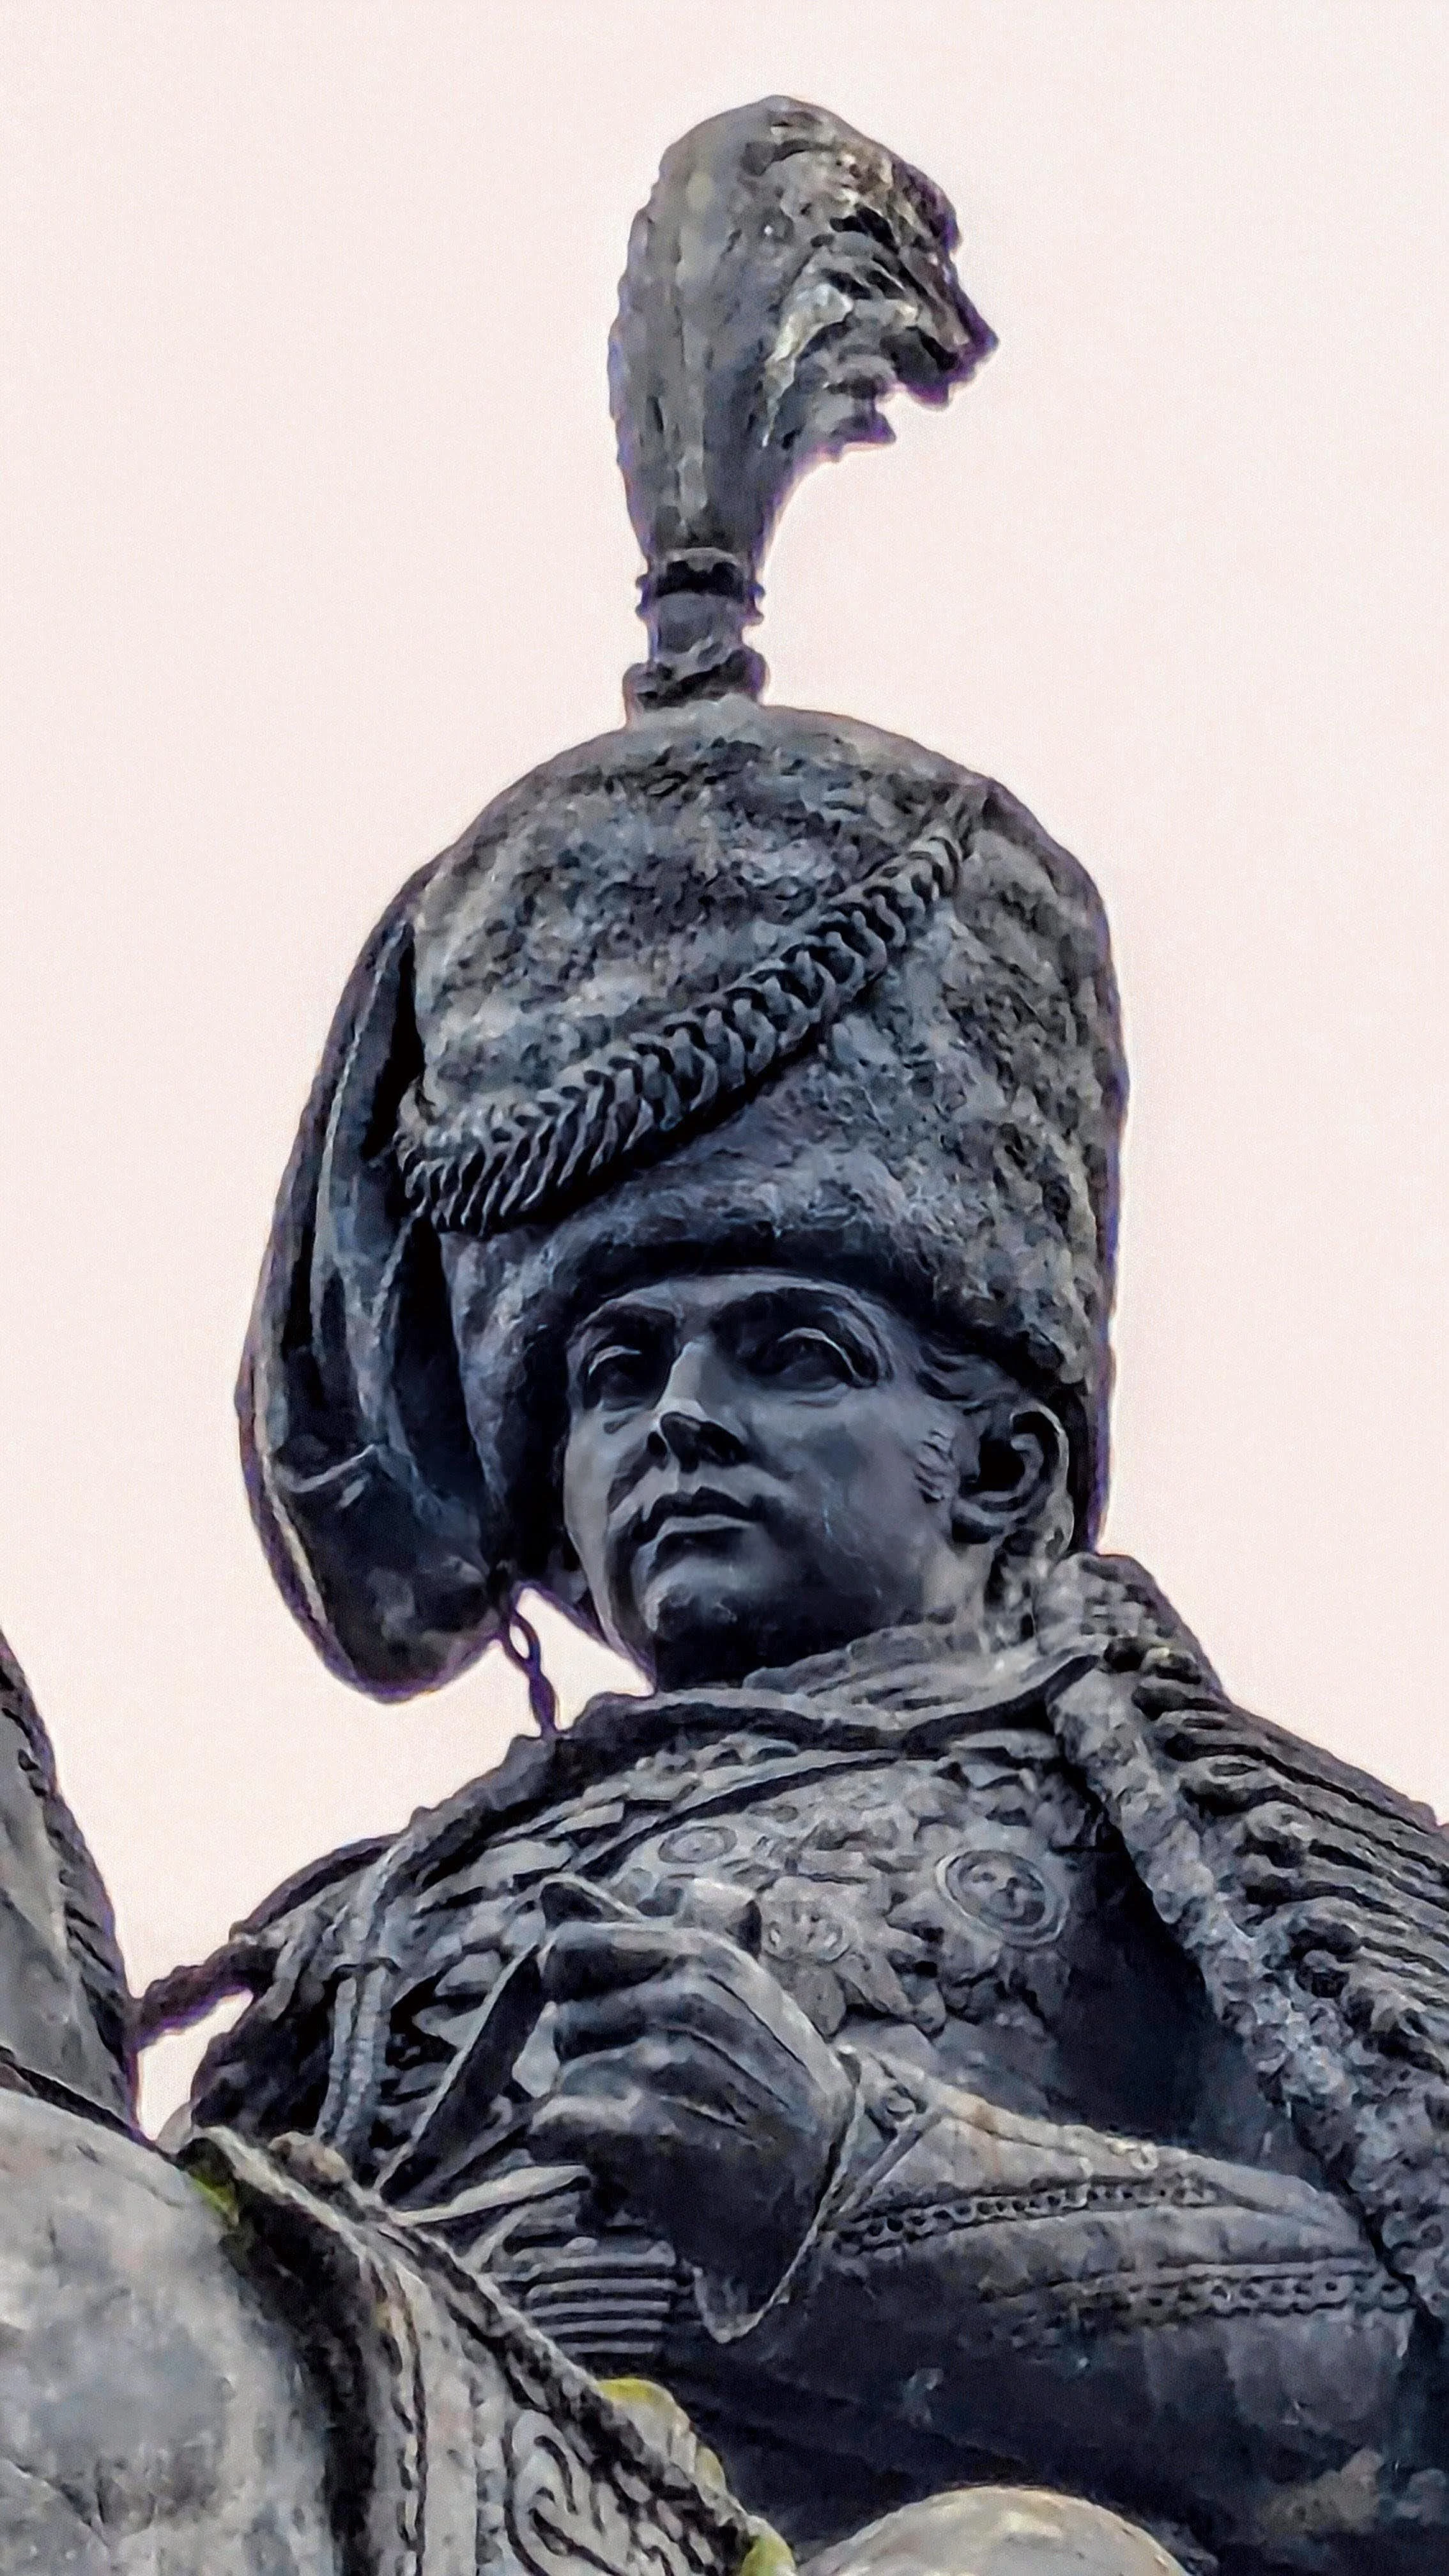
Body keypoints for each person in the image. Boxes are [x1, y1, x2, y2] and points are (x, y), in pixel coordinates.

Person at [8, 96, 1448, 2576]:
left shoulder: (1179, 1831)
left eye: (788, 1350)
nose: (678, 1414)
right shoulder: (364, 1935)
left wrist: (845, 2181)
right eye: (613, 1372)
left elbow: (1417, 2377)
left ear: (995, 1468)